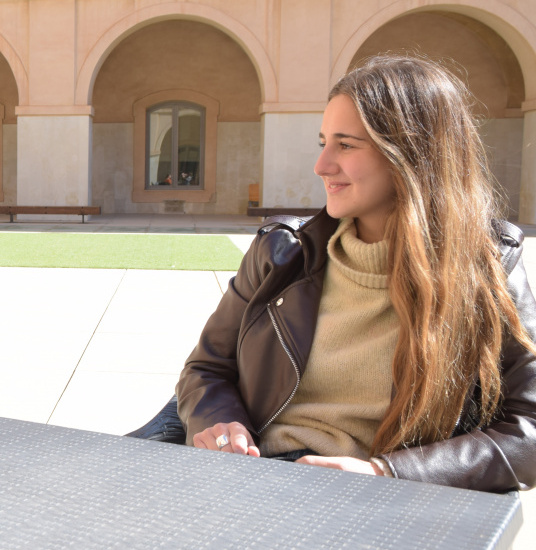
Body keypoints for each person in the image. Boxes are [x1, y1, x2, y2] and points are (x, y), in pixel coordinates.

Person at [174, 55, 536, 492]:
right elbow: (207, 367)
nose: (322, 166)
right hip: (252, 476)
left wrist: (386, 473)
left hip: (374, 500)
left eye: (345, 145)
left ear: (412, 155)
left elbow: (529, 428)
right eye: (323, 142)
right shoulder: (281, 252)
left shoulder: (489, 269)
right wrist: (220, 423)